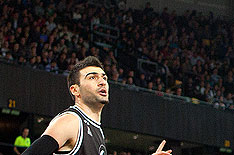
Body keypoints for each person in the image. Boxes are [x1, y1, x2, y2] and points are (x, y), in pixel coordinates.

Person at [22, 56, 171, 155]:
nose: (102, 82)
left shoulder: (96, 130)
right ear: (75, 90)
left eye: (104, 78)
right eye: (92, 77)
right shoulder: (71, 121)